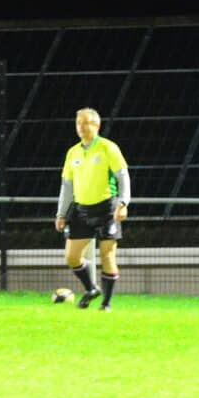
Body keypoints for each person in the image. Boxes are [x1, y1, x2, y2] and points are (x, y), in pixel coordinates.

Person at [55, 108, 130, 311]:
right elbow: (67, 186)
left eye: (86, 122)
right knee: (72, 257)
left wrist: (123, 203)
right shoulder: (73, 152)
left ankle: (106, 304)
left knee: (107, 255)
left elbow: (123, 176)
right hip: (81, 210)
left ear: (97, 125)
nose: (82, 126)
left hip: (107, 208)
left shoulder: (108, 148)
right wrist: (61, 213)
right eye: (79, 123)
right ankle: (91, 288)